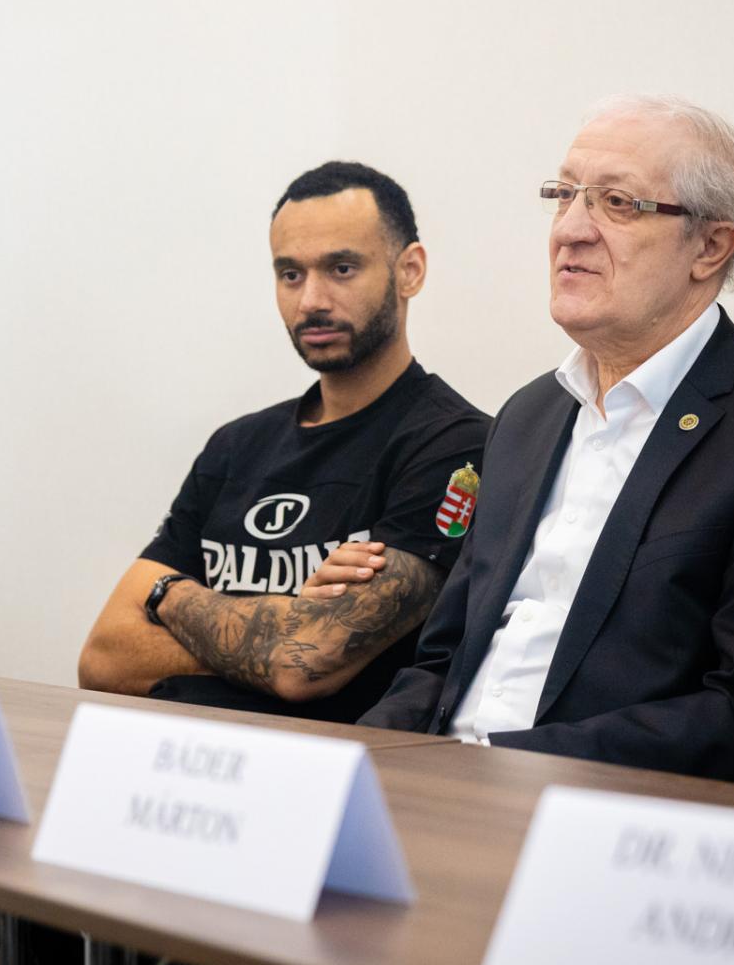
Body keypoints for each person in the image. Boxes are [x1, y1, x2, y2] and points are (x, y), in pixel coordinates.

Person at [348, 97, 734, 788]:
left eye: (617, 203)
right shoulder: (527, 418)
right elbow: (441, 665)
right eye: (564, 195)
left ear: (711, 246)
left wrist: (497, 766)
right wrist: (353, 760)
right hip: (443, 790)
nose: (570, 230)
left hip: (600, 811)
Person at [77, 161, 489, 724]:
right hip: (184, 754)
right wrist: (277, 632)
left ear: (409, 271)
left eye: (342, 268)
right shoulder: (235, 446)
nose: (311, 300)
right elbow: (102, 658)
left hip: (339, 766)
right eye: (290, 274)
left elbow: (302, 664)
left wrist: (167, 595)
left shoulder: (454, 446)